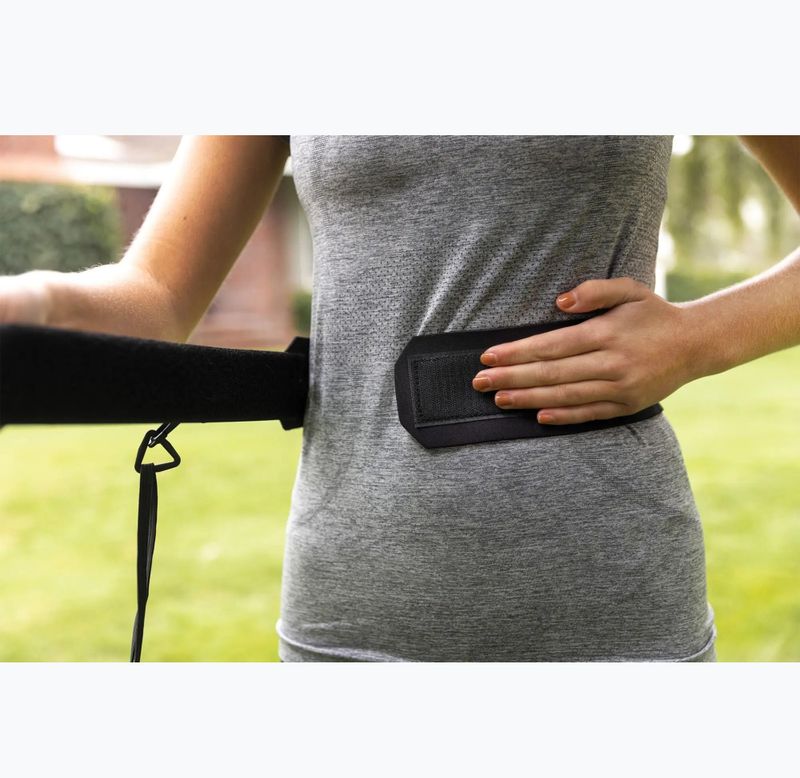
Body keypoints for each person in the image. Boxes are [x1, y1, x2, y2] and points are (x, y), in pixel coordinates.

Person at [2, 136, 799, 662]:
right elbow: (154, 295)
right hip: (353, 600)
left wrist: (695, 339)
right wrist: (32, 300)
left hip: (603, 589)